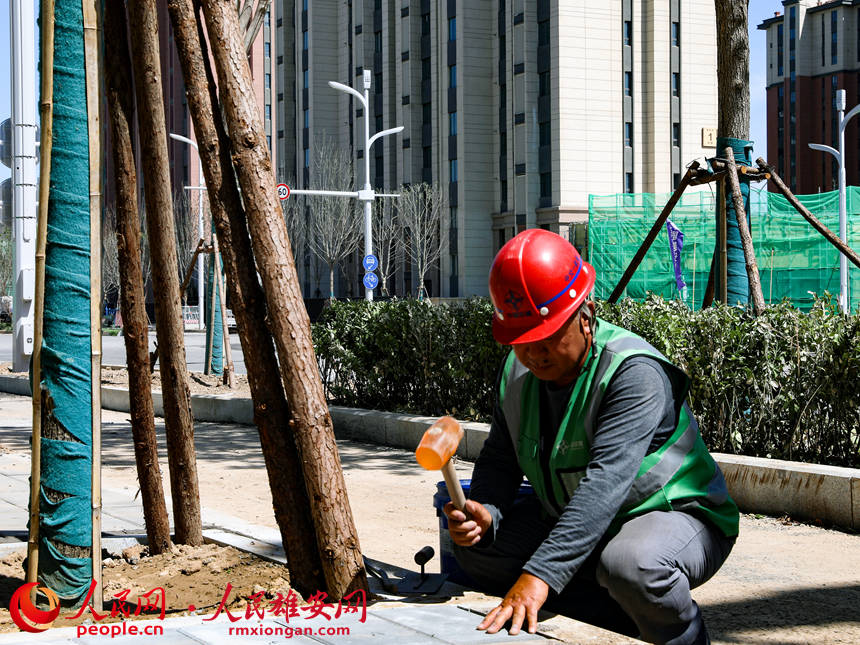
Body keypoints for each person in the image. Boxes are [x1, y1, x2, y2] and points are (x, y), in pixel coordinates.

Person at [444, 229, 738, 645]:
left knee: (634, 567)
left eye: (547, 336)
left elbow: (604, 484)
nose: (533, 353)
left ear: (586, 316)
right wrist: (487, 512)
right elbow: (500, 458)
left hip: (674, 516)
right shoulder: (516, 372)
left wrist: (540, 575)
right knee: (481, 547)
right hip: (581, 519)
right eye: (522, 340)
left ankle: (682, 638)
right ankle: (610, 621)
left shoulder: (633, 373)